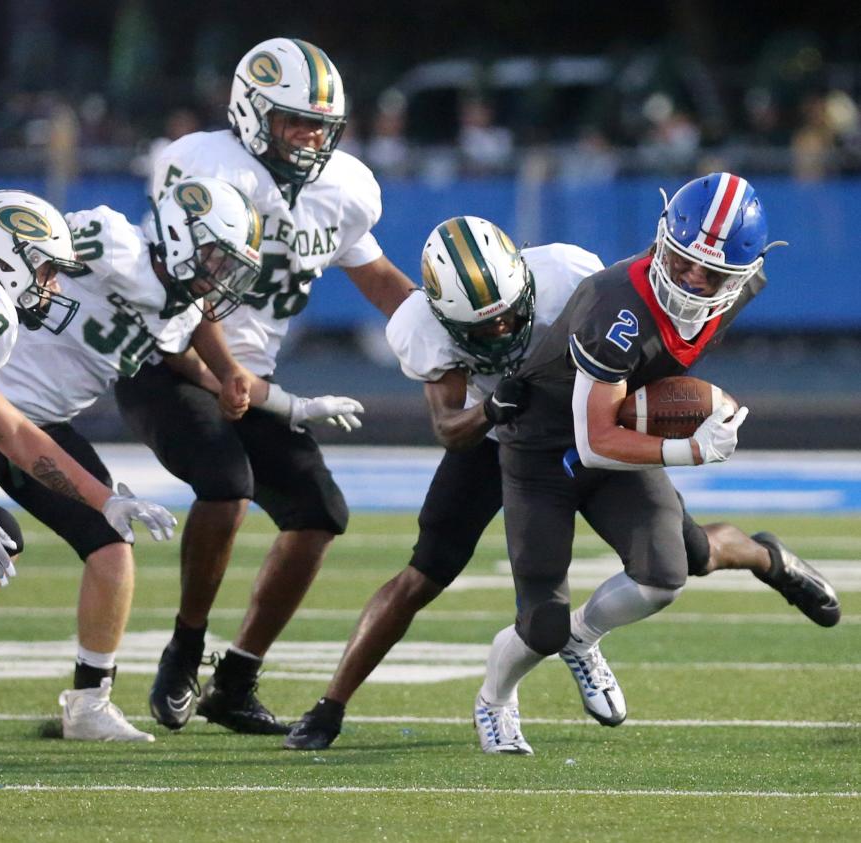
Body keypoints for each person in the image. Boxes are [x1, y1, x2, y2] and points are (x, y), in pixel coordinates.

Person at [285, 215, 840, 751]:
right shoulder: (420, 326)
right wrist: (491, 410)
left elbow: (634, 340)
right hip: (504, 442)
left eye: (507, 315)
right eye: (482, 326)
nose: (501, 331)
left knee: (686, 554)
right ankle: (330, 705)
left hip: (589, 427)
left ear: (524, 281)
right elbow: (449, 429)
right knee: (427, 570)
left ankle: (767, 559)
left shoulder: (567, 276)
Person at [0, 177, 348, 758]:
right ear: (181, 239)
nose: (220, 274)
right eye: (214, 256)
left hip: (42, 430)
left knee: (112, 542)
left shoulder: (181, 309)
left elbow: (176, 354)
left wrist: (261, 396)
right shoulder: (114, 240)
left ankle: (88, 702)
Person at [471, 172, 839, 755]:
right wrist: (691, 449)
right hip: (545, 450)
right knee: (541, 623)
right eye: (682, 259)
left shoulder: (735, 291)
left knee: (664, 577)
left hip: (616, 437)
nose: (691, 278)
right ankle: (494, 700)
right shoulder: (614, 308)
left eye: (710, 272)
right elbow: (593, 442)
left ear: (741, 274)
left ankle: (583, 639)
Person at [116, 36, 413, 735]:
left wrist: (446, 323)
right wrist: (223, 373)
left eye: (320, 124)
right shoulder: (202, 164)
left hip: (250, 378)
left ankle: (237, 678)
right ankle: (185, 649)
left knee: (318, 513)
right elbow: (177, 288)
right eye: (294, 120)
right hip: (168, 358)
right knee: (226, 483)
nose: (311, 136)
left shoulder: (343, 189)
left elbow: (375, 276)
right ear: (251, 114)